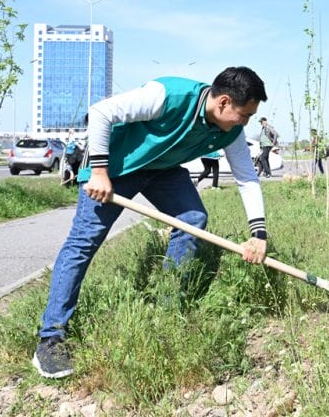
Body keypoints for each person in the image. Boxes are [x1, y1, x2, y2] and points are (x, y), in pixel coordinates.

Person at [32, 67, 270, 379]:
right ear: (224, 102)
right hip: (114, 167)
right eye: (244, 115)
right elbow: (101, 112)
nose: (245, 123)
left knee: (192, 220)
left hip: (163, 170)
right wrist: (100, 171)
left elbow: (246, 178)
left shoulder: (230, 130)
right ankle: (51, 337)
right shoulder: (167, 96)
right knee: (84, 242)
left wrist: (259, 233)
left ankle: (166, 313)